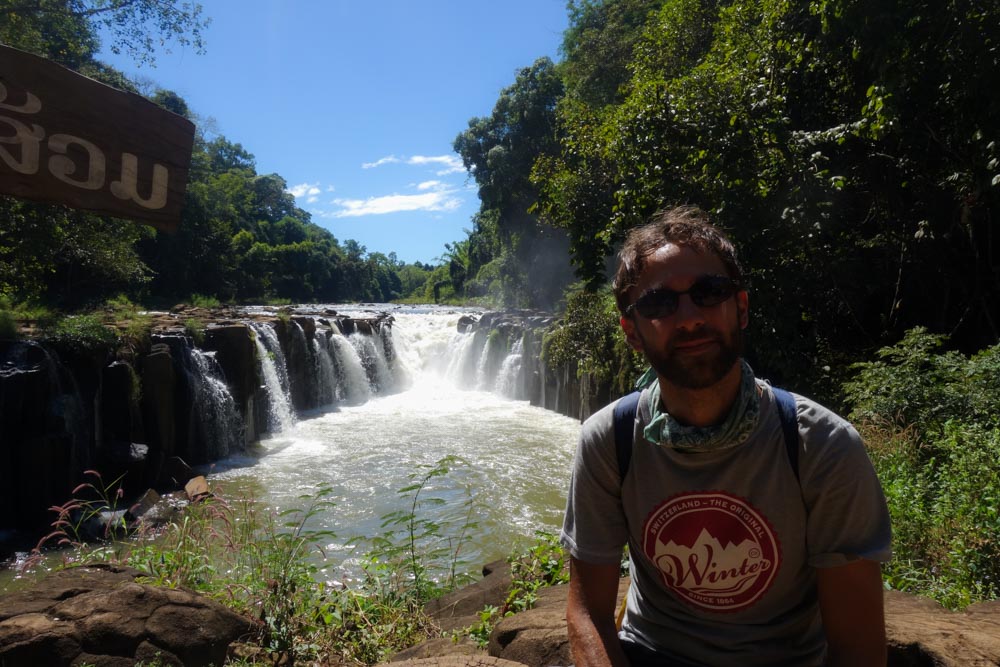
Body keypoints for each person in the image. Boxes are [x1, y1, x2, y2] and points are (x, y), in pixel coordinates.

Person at [560, 206, 891, 667]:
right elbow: (588, 614)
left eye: (709, 292)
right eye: (659, 303)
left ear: (741, 307)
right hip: (651, 653)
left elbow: (857, 650)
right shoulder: (610, 440)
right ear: (632, 333)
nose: (690, 317)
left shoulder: (822, 445)